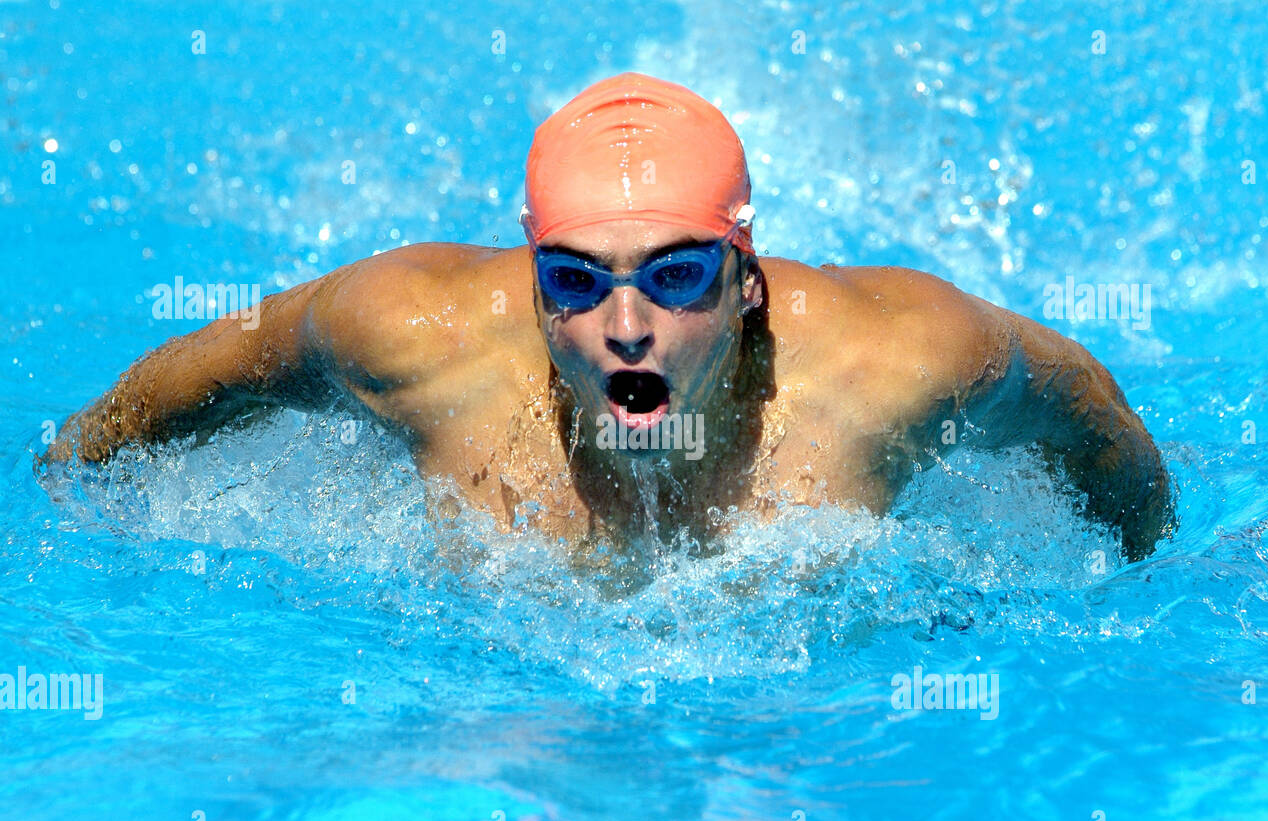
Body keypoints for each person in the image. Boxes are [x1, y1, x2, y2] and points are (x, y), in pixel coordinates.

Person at [40, 72, 1175, 559]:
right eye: (577, 282)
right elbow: (180, 386)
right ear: (533, 288)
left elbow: (1094, 414)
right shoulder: (405, 331)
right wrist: (62, 485)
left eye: (676, 277)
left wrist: (1145, 569)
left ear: (749, 280)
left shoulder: (907, 359)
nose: (624, 322)